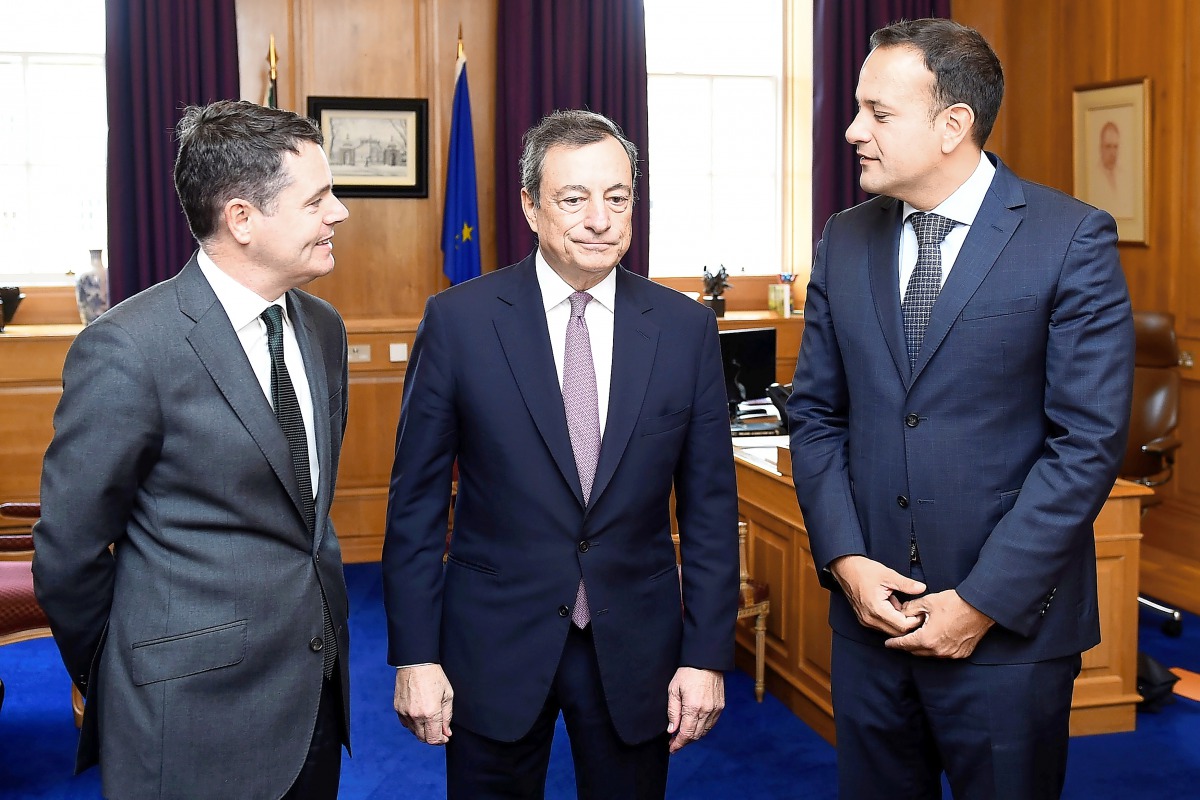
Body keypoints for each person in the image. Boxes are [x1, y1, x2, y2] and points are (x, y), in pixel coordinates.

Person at [786, 19, 1133, 800]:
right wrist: (844, 562)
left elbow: (1086, 443)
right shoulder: (843, 239)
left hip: (1011, 637)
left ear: (953, 125)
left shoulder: (1069, 239)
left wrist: (980, 603)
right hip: (868, 624)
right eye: (856, 108)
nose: (851, 131)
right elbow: (814, 417)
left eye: (878, 113)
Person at [382, 109, 739, 799]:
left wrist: (706, 656)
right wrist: (415, 655)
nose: (600, 219)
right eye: (574, 198)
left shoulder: (684, 329)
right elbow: (416, 508)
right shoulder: (458, 323)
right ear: (530, 207)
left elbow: (709, 511)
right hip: (494, 642)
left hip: (637, 647)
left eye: (618, 197)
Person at [32, 99, 352, 799]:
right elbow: (68, 552)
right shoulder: (128, 348)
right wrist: (120, 672)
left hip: (315, 693)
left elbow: (302, 512)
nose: (340, 214)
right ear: (242, 218)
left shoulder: (323, 329)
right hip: (188, 717)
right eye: (319, 199)